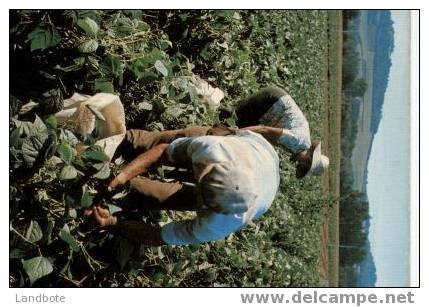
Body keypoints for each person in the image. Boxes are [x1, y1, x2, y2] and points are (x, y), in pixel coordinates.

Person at [85, 129, 280, 246]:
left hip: (264, 185)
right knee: (152, 141)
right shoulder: (214, 148)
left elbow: (159, 236)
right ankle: (124, 140)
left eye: (203, 201)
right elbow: (162, 150)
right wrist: (122, 176)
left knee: (148, 195)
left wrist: (112, 223)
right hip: (258, 149)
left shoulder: (220, 224)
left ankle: (126, 193)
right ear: (208, 169)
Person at [116, 86, 329, 179]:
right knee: (229, 123)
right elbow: (264, 130)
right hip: (270, 102)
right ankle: (201, 98)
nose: (298, 164)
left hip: (272, 103)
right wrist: (239, 134)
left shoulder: (299, 141)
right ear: (309, 156)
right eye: (303, 164)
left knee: (230, 125)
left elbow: (265, 137)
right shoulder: (299, 143)